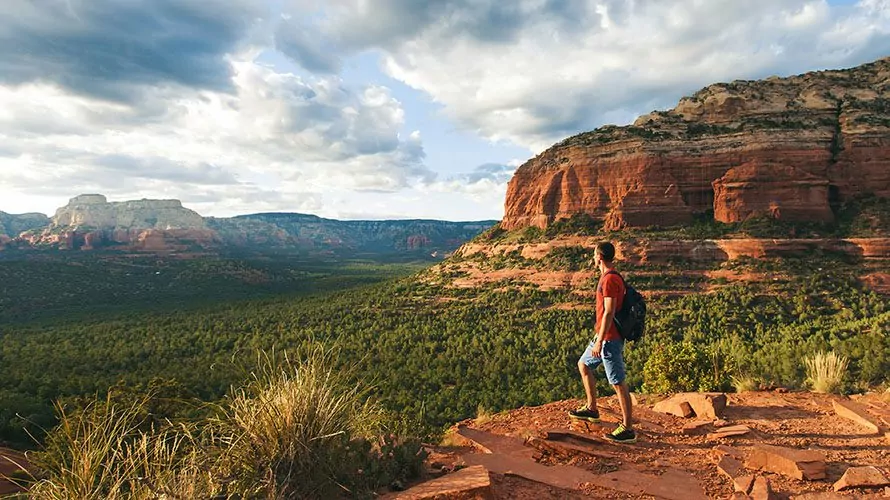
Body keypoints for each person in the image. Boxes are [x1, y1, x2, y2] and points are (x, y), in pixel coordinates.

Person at [568, 241, 636, 443]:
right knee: (584, 365)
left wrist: (600, 341)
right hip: (602, 336)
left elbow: (609, 311)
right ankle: (592, 408)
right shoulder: (609, 276)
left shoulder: (609, 280)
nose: (592, 258)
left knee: (617, 382)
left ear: (599, 256)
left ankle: (627, 428)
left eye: (593, 254)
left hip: (609, 339)